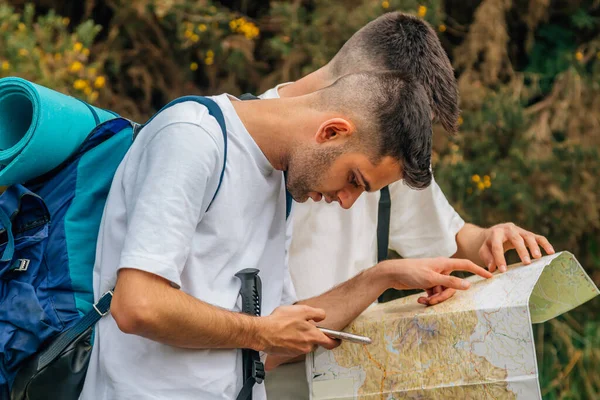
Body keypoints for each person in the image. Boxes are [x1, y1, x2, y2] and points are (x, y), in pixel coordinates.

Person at [78, 69, 493, 400]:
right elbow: (139, 305)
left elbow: (276, 345)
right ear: (331, 132)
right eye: (353, 180)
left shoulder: (280, 184)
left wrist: (382, 277)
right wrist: (259, 332)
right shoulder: (194, 137)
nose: (346, 201)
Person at [260, 12, 555, 399]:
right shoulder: (233, 145)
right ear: (364, 92)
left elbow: (447, 241)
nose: (347, 200)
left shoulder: (387, 152)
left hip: (349, 381)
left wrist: (488, 239)